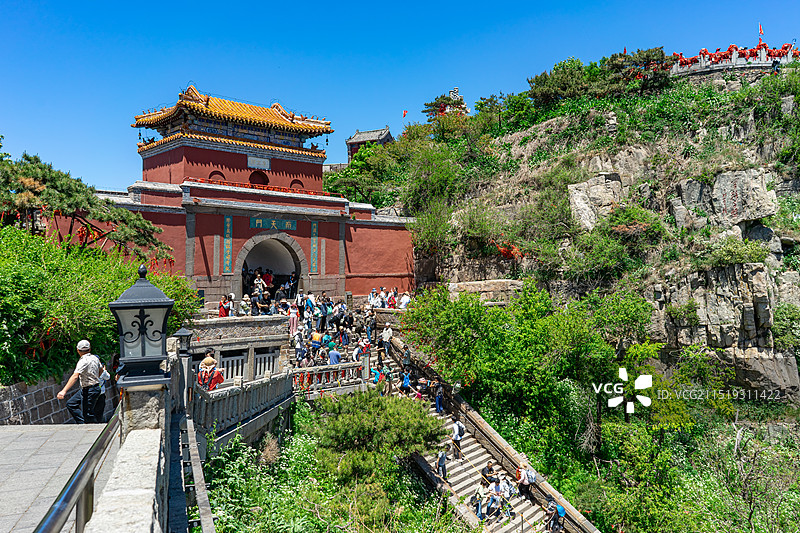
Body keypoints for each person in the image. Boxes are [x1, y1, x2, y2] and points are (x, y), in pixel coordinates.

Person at [57, 340, 104, 424]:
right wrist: (95, 378)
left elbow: (75, 376)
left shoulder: (83, 361)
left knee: (88, 414)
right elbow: (101, 370)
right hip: (92, 388)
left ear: (78, 350)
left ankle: (92, 427)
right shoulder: (95, 358)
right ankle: (83, 423)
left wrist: (63, 391)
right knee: (71, 403)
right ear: (90, 349)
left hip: (90, 389)